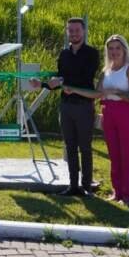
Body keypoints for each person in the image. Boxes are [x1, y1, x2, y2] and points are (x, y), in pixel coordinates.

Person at [64, 35, 129, 204]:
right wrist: (75, 90)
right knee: (114, 155)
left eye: (117, 48)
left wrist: (117, 93)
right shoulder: (105, 71)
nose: (114, 52)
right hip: (109, 113)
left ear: (124, 50)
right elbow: (97, 94)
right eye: (111, 48)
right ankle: (117, 192)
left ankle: (128, 195)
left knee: (128, 155)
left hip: (127, 113)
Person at [33, 18, 100, 197]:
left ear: (83, 31)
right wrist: (43, 84)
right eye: (70, 30)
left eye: (76, 30)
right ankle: (72, 185)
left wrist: (62, 81)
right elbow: (60, 79)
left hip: (84, 106)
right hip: (66, 106)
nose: (73, 33)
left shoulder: (92, 53)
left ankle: (86, 187)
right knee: (69, 146)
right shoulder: (63, 54)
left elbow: (84, 77)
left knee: (85, 147)